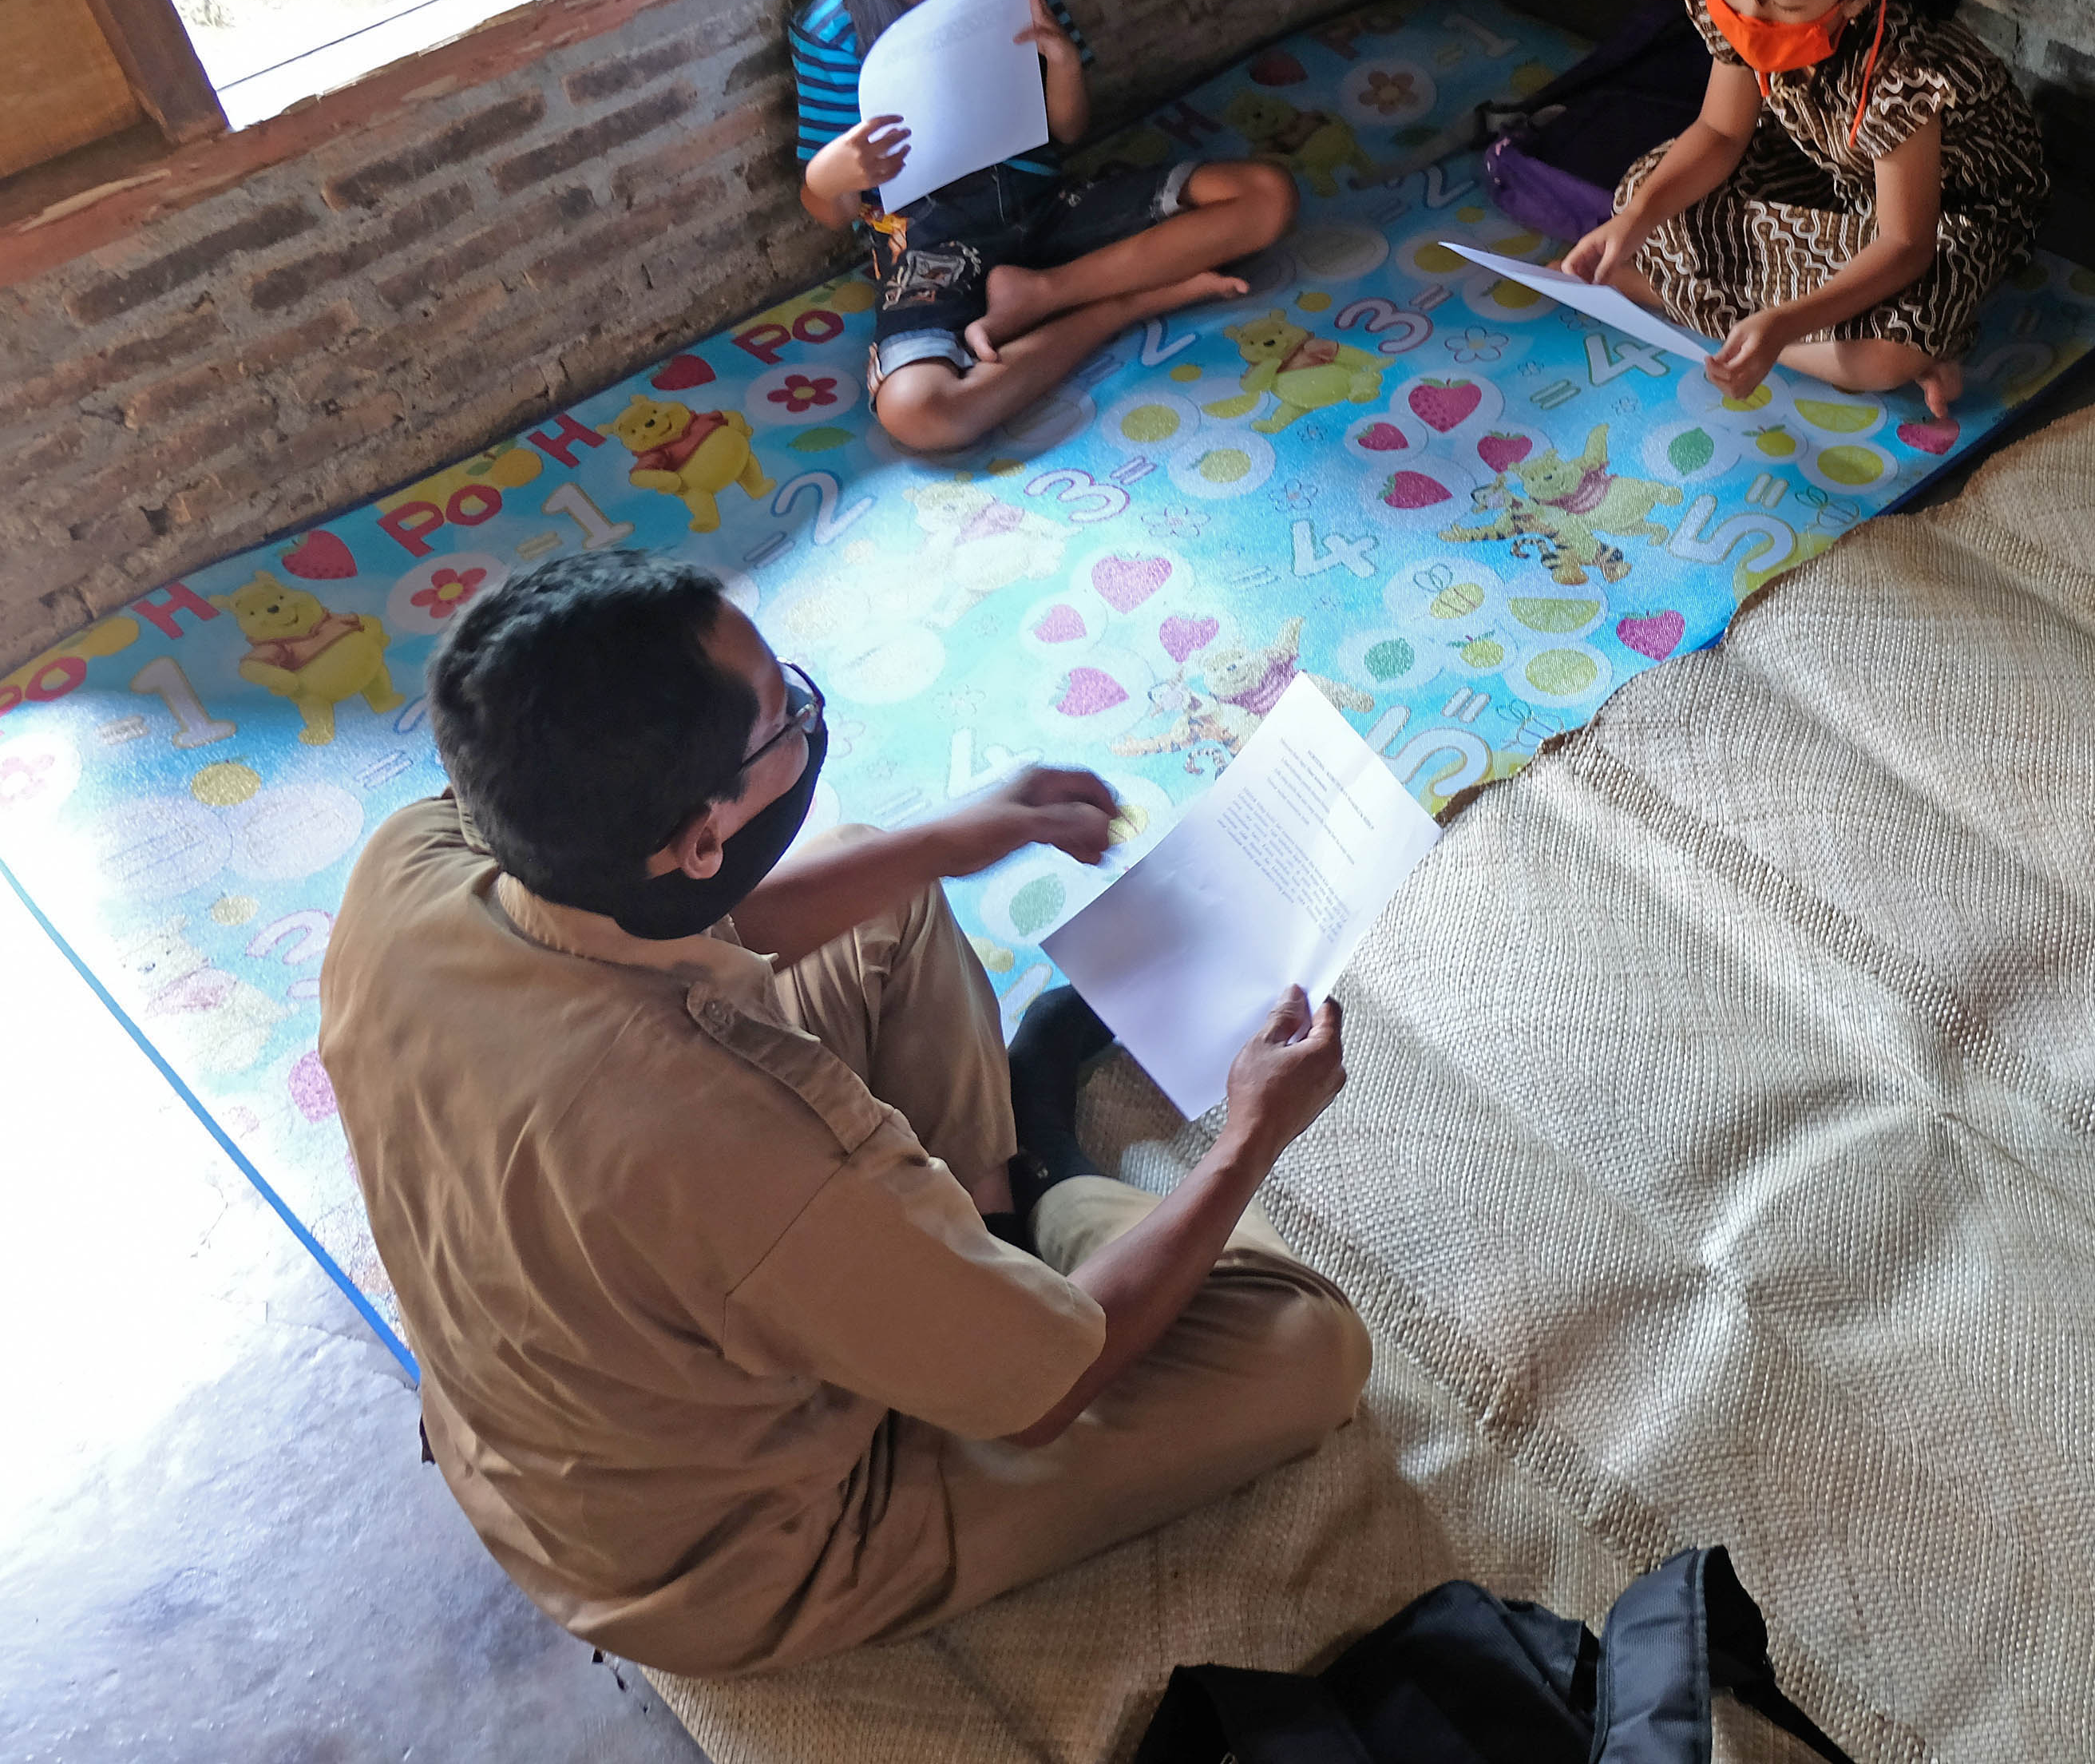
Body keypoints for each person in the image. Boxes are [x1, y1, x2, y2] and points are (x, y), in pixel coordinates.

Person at [317, 550, 1368, 1677]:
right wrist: (1252, 1133)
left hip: (572, 1383)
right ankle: (1052, 1182)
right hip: (713, 1554)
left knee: (882, 879)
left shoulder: (415, 860)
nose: (808, 725)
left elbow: (697, 925)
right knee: (1302, 1341)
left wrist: (956, 840)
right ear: (699, 840)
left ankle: (986, 1234)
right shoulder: (739, 1137)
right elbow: (1046, 1402)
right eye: (785, 720)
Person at [781, 0, 1300, 451]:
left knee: (1264, 195)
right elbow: (822, 206)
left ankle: (1045, 297)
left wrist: (1062, 66)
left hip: (1047, 212)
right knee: (920, 414)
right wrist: (834, 174)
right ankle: (1117, 304)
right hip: (934, 252)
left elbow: (1071, 130)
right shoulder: (832, 28)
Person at [1560, 0, 2049, 422]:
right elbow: (1719, 135)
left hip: (1950, 210)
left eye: (1782, 7)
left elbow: (1904, 243)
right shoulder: (1744, 7)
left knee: (1883, 356)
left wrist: (1782, 323)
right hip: (1833, 166)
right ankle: (1788, 334)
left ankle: (1686, 303)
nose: (1745, 15)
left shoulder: (1902, 71)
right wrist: (1633, 222)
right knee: (1644, 190)